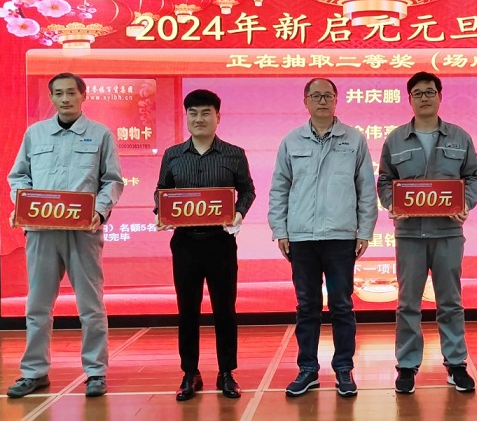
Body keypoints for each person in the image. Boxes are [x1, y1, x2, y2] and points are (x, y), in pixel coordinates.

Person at [6, 72, 124, 398]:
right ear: (51, 98)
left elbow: (112, 181)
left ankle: (96, 371)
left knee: (90, 305)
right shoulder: (35, 134)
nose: (65, 99)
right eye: (58, 93)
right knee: (38, 306)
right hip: (41, 232)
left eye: (71, 92)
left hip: (83, 233)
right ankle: (34, 372)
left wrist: (99, 211)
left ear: (83, 96)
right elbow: (18, 177)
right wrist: (22, 203)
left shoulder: (100, 135)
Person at [269, 78, 378, 398]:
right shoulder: (291, 141)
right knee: (307, 306)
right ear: (305, 101)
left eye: (327, 96)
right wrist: (280, 231)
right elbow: (279, 189)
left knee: (342, 305)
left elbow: (366, 189)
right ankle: (308, 369)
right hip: (301, 237)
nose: (321, 101)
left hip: (341, 236)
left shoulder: (354, 139)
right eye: (315, 96)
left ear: (336, 100)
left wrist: (365, 231)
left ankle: (344, 368)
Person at [377, 71, 477, 394]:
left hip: (448, 232)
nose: (424, 98)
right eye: (418, 93)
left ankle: (456, 364)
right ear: (409, 99)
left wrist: (465, 202)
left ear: (440, 96)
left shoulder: (459, 137)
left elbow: (474, 177)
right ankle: (407, 365)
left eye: (429, 92)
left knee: (450, 301)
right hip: (409, 234)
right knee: (408, 303)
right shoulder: (395, 139)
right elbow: (385, 181)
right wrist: (391, 203)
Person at [154, 89, 256, 401]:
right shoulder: (173, 155)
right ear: (186, 117)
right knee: (187, 309)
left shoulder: (234, 154)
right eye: (193, 113)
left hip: (220, 242)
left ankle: (227, 373)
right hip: (185, 243)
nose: (199, 119)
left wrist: (238, 213)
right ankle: (190, 373)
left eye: (206, 113)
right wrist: (161, 212)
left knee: (225, 309)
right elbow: (162, 191)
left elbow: (247, 190)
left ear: (218, 117)